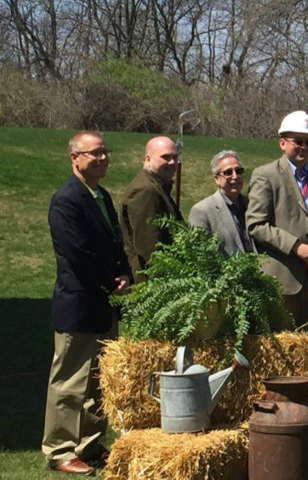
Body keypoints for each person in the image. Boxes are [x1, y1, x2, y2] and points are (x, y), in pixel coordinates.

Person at [42, 131, 132, 475]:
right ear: (74, 158)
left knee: (98, 380)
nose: (102, 158)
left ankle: (90, 443)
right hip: (79, 304)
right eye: (94, 153)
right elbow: (77, 253)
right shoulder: (66, 200)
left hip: (104, 303)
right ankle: (60, 449)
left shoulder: (101, 196)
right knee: (69, 382)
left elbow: (114, 243)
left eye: (105, 152)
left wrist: (124, 273)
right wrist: (111, 282)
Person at [247, 111, 308, 333]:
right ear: (282, 143)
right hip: (283, 281)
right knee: (284, 355)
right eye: (298, 141)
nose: (304, 147)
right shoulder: (266, 176)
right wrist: (296, 247)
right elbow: (255, 224)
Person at [120, 136, 182, 282]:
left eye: (175, 157)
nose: (172, 162)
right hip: (151, 282)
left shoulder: (157, 186)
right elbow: (149, 246)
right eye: (165, 157)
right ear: (148, 159)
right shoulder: (145, 190)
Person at [188, 150, 255, 256]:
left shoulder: (252, 205)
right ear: (217, 179)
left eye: (238, 171)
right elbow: (200, 257)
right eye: (228, 172)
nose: (235, 176)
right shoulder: (202, 211)